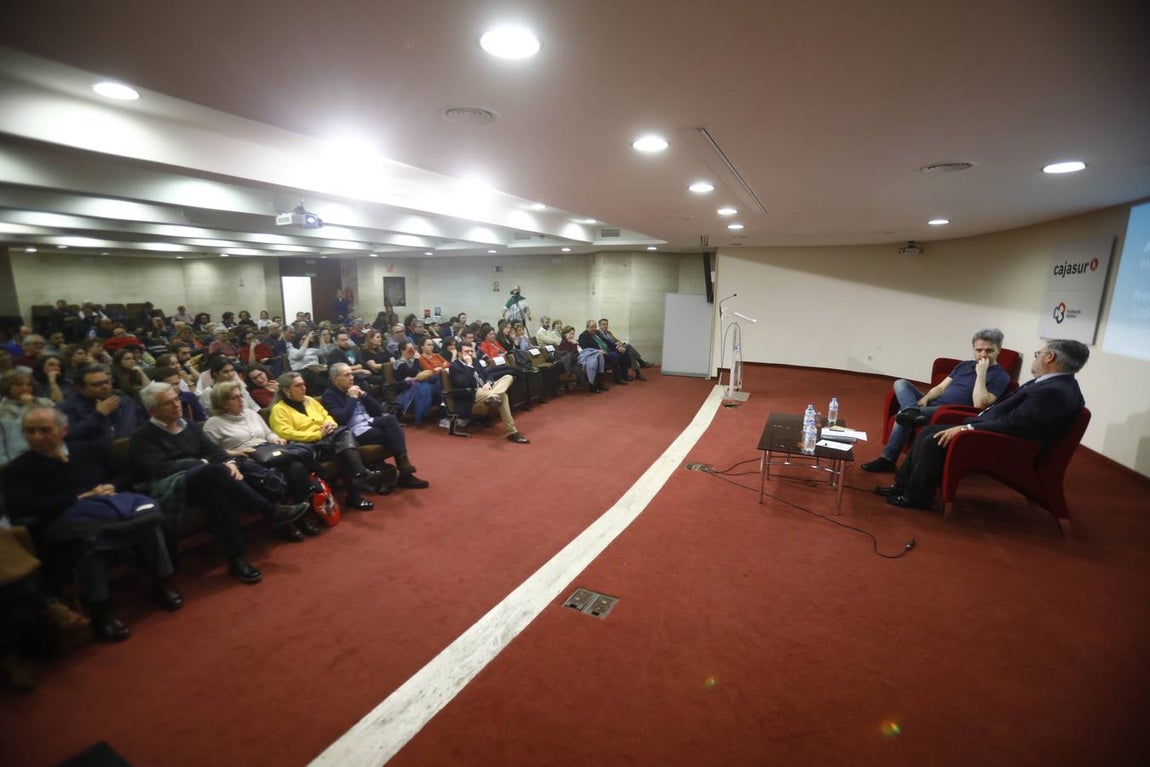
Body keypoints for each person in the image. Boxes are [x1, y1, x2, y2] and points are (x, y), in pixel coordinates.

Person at [5, 407, 183, 641]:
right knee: (90, 539)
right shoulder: (19, 468)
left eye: (44, 430)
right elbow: (21, 506)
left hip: (112, 509)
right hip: (65, 522)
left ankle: (161, 583)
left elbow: (125, 474)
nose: (36, 437)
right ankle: (101, 609)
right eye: (30, 431)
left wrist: (112, 486)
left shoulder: (88, 450)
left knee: (147, 522)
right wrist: (74, 499)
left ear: (64, 430)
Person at [876, 339, 1089, 510]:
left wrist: (968, 428)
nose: (1037, 358)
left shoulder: (1054, 391)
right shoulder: (1055, 384)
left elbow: (1016, 425)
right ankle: (902, 486)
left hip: (1008, 446)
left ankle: (916, 497)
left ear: (1050, 356)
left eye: (1038, 354)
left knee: (932, 438)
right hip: (994, 429)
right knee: (929, 432)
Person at [129, 382, 308, 584]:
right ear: (152, 410)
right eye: (168, 403)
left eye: (177, 399)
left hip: (206, 480)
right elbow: (160, 469)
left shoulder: (187, 425)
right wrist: (204, 463)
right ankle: (271, 512)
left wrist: (228, 462)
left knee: (220, 497)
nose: (177, 404)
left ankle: (237, 560)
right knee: (213, 471)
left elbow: (214, 451)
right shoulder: (143, 436)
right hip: (173, 486)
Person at [862, 328, 1011, 473]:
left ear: (998, 349)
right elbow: (940, 388)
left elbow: (979, 405)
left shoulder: (1001, 376)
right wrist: (926, 397)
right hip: (934, 403)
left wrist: (981, 374)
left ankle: (887, 460)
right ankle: (911, 410)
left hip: (951, 410)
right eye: (978, 350)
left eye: (989, 350)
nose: (983, 355)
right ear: (973, 349)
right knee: (901, 383)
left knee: (903, 414)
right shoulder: (964, 365)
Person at [202, 381, 322, 540]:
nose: (241, 400)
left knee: (297, 467)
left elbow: (268, 434)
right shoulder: (213, 424)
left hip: (267, 451)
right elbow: (211, 453)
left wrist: (277, 439)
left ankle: (301, 517)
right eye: (235, 398)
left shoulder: (251, 413)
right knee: (270, 475)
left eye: (241, 396)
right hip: (244, 457)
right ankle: (283, 522)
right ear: (223, 402)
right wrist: (235, 451)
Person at [267, 371, 380, 511]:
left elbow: (326, 415)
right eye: (298, 385)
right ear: (286, 390)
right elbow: (287, 433)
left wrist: (331, 424)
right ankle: (359, 477)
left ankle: (358, 478)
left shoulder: (309, 400)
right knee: (344, 442)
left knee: (344, 440)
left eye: (304, 384)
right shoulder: (278, 410)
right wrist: (318, 434)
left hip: (328, 439)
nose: (303, 388)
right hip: (308, 446)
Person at [320, 364, 428, 489]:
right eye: (347, 375)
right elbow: (342, 419)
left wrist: (364, 396)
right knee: (394, 435)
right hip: (355, 431)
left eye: (352, 374)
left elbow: (377, 411)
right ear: (334, 379)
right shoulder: (329, 396)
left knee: (391, 419)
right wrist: (353, 398)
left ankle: (402, 467)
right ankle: (405, 473)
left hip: (370, 422)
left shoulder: (354, 388)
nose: (351, 377)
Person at [447, 342, 529, 443]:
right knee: (503, 396)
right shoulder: (455, 367)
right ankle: (513, 432)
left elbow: (487, 375)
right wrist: (469, 365)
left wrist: (488, 383)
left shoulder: (475, 361)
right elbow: (464, 383)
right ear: (459, 353)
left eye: (471, 351)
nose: (470, 354)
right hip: (472, 393)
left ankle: (494, 395)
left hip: (487, 389)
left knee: (508, 377)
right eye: (466, 351)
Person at [59, 365, 146, 449]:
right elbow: (69, 435)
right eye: (97, 385)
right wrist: (99, 415)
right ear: (79, 388)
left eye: (107, 382)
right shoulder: (66, 407)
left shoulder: (126, 402)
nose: (105, 387)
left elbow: (144, 427)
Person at [0, 371, 57, 467]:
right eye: (19, 385)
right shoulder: (3, 408)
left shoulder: (44, 402)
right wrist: (28, 406)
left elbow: (59, 421)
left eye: (29, 385)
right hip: (20, 454)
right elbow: (17, 433)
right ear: (7, 386)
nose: (25, 388)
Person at [559, 325, 608, 393]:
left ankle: (598, 384)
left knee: (598, 358)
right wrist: (574, 344)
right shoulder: (564, 343)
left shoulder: (572, 342)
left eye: (573, 334)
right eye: (570, 334)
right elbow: (573, 355)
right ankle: (593, 386)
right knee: (594, 360)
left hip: (581, 358)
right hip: (574, 363)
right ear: (564, 334)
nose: (571, 336)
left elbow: (581, 351)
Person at [579, 320, 629, 386]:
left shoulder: (596, 333)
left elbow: (608, 342)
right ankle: (618, 378)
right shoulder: (583, 336)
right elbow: (585, 350)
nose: (594, 328)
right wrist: (597, 351)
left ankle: (624, 375)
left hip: (607, 351)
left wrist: (618, 347)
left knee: (624, 352)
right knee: (614, 355)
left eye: (595, 327)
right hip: (598, 354)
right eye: (592, 327)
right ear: (587, 327)